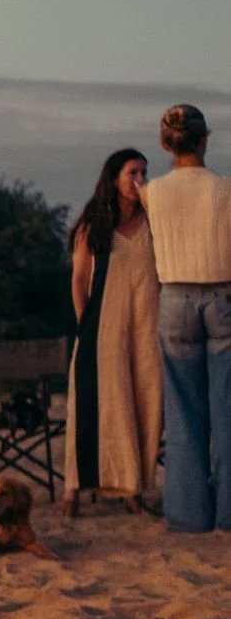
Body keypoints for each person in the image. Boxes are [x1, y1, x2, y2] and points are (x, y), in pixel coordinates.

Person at [138, 104, 231, 533]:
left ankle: (189, 514)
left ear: (164, 144)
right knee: (227, 410)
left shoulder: (152, 192)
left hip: (174, 298)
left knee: (183, 412)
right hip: (223, 296)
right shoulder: (225, 189)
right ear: (205, 140)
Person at [63, 150, 160, 517]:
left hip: (148, 326)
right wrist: (84, 323)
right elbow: (78, 279)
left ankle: (133, 487)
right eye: (133, 172)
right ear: (115, 178)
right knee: (95, 403)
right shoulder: (95, 226)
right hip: (103, 326)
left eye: (144, 172)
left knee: (143, 402)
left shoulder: (153, 222)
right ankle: (73, 488)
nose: (139, 179)